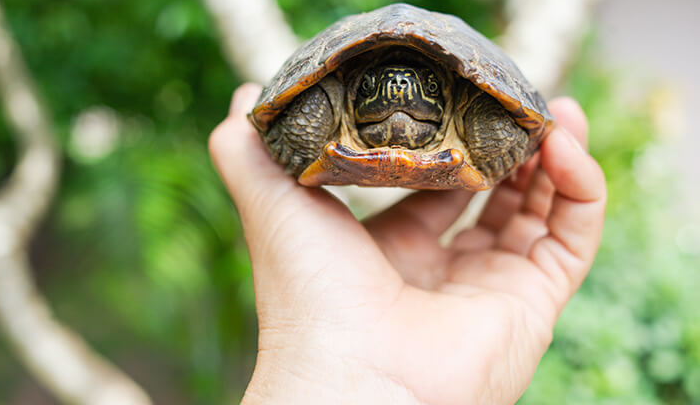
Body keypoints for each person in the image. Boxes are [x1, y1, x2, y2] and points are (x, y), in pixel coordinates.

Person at [210, 83, 607, 404]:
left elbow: (509, 126)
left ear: (446, 95)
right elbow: (293, 118)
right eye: (375, 86)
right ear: (352, 93)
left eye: (424, 86)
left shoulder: (473, 113)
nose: (398, 92)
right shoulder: (327, 103)